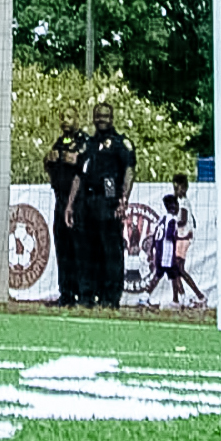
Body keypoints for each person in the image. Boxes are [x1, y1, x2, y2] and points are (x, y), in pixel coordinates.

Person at [68, 102, 136, 308]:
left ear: (112, 118)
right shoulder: (88, 144)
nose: (101, 120)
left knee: (111, 251)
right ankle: (87, 296)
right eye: (98, 116)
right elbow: (78, 175)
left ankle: (111, 298)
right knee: (87, 251)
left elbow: (129, 171)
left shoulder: (120, 143)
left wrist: (123, 200)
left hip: (109, 197)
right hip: (87, 201)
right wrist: (70, 204)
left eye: (105, 116)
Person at [43, 121, 83, 304]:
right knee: (62, 249)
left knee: (79, 248)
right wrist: (48, 161)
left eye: (69, 116)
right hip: (59, 200)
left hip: (78, 201)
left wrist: (76, 159)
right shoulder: (59, 142)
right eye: (63, 117)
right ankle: (65, 293)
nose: (65, 121)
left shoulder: (84, 142)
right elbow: (50, 168)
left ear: (77, 120)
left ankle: (83, 293)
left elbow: (86, 168)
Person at [156, 170, 206, 306]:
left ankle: (199, 296)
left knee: (179, 269)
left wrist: (170, 224)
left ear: (184, 188)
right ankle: (177, 299)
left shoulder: (183, 203)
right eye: (174, 187)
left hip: (183, 238)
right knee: (174, 268)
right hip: (178, 237)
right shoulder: (177, 202)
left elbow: (183, 220)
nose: (176, 190)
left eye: (178, 187)